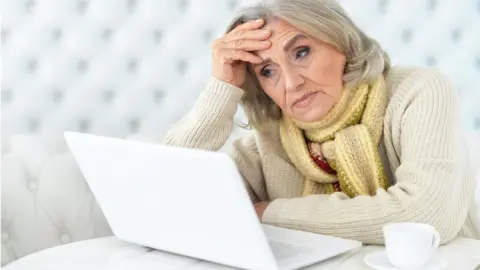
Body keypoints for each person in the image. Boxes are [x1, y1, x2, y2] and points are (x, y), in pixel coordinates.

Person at [163, 0, 480, 245]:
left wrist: (269, 213)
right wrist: (223, 86)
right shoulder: (270, 138)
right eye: (267, 71)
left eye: (301, 52)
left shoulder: (418, 91)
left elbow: (426, 215)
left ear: (341, 41)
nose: (290, 83)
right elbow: (172, 188)